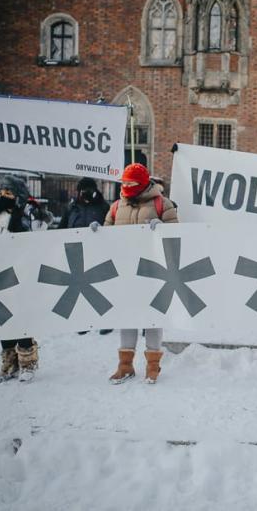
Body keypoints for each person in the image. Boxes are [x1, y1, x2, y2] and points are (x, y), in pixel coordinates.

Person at [101, 163, 178, 385]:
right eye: (124, 182)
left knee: (153, 317)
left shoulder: (162, 204)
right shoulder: (116, 206)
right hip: (125, 271)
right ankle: (125, 365)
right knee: (127, 316)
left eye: (131, 183)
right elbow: (106, 234)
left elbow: (178, 234)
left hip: (154, 271)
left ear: (143, 183)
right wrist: (97, 232)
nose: (126, 186)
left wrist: (163, 228)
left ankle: (153, 366)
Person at [0, 175, 41, 383]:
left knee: (21, 319)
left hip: (20, 276)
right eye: (2, 193)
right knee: (3, 320)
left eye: (9, 193)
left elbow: (33, 244)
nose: (4, 196)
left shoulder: (26, 218)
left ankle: (27, 362)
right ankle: (9, 362)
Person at [58, 177, 113, 335]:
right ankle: (82, 321)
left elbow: (111, 227)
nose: (86, 193)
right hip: (76, 254)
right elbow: (61, 228)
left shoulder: (103, 207)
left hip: (98, 254)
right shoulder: (72, 208)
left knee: (101, 288)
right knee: (79, 288)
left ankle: (106, 321)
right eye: (83, 191)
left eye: (89, 190)